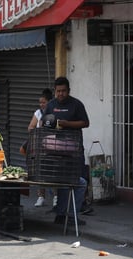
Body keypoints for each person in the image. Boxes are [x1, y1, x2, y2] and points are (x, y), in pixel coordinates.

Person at [43, 76, 90, 225]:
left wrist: (67, 123)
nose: (61, 94)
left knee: (78, 182)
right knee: (63, 183)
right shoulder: (51, 105)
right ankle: (62, 215)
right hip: (56, 151)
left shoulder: (76, 105)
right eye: (58, 91)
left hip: (74, 151)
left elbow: (85, 123)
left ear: (68, 91)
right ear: (55, 91)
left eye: (63, 91)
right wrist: (54, 125)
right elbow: (45, 123)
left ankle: (71, 214)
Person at [27, 88, 57, 207]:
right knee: (40, 171)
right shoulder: (38, 113)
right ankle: (41, 196)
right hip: (40, 146)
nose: (41, 104)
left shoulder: (54, 112)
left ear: (49, 102)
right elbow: (30, 127)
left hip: (52, 146)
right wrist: (38, 127)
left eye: (43, 102)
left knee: (53, 171)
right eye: (40, 102)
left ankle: (56, 196)